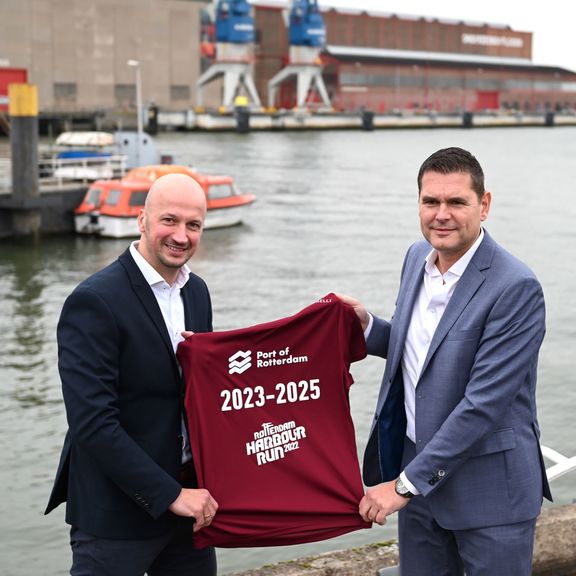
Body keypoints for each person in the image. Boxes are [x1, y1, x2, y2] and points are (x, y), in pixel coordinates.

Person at [339, 147, 552, 576]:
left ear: (484, 205)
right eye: (430, 201)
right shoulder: (415, 258)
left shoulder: (516, 287)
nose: (442, 214)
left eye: (456, 202)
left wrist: (402, 486)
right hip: (421, 488)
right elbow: (418, 348)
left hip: (489, 495)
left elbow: (483, 406)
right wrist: (365, 327)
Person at [45, 173, 219, 576]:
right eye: (169, 220)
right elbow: (92, 423)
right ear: (141, 220)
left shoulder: (198, 292)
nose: (181, 235)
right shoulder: (94, 301)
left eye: (193, 225)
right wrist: (170, 494)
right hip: (116, 513)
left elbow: (197, 396)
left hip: (189, 505)